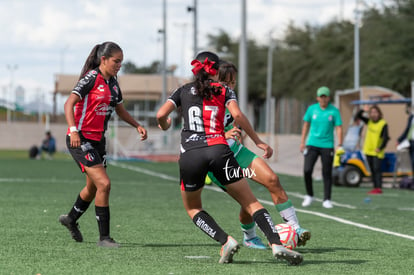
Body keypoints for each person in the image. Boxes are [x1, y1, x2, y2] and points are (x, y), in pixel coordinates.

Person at [156, 51, 303, 265]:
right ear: (216, 71)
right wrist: (258, 141)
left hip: (190, 155)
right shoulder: (224, 90)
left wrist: (165, 125)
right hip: (219, 151)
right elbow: (238, 116)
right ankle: (276, 243)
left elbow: (161, 115)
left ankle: (226, 241)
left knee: (193, 208)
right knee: (251, 202)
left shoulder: (182, 90)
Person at [206, 61, 310, 250]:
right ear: (213, 79)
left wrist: (256, 141)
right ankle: (250, 237)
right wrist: (222, 135)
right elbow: (195, 132)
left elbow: (237, 118)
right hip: (219, 161)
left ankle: (295, 228)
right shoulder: (203, 99)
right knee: (249, 200)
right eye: (224, 81)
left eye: (233, 83)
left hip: (238, 153)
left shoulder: (229, 96)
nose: (229, 87)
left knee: (272, 179)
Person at [59, 41, 148, 248]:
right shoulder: (90, 78)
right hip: (80, 138)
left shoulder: (114, 84)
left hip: (98, 141)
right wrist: (73, 130)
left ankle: (70, 219)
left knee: (92, 188)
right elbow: (68, 103)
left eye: (121, 62)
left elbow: (120, 110)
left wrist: (137, 125)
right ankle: (104, 238)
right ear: (104, 59)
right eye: (116, 61)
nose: (119, 65)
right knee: (104, 184)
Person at [300, 86, 343, 208]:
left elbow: (339, 127)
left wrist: (339, 144)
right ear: (317, 97)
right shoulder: (311, 109)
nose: (323, 99)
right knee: (307, 170)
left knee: (327, 172)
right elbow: (305, 126)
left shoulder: (334, 111)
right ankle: (309, 195)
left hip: (327, 145)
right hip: (312, 143)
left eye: (325, 96)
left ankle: (327, 199)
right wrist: (302, 142)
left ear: (329, 97)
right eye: (321, 96)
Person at [356, 105, 389, 194]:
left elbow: (386, 138)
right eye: (372, 112)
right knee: (372, 170)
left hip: (377, 151)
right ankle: (375, 187)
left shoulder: (383, 123)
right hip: (368, 150)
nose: (374, 114)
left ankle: (378, 187)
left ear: (379, 113)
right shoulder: (369, 122)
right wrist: (363, 110)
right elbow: (358, 116)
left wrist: (380, 147)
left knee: (377, 169)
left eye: (375, 112)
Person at [397, 112, 414, 177]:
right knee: (413, 162)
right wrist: (400, 140)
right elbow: (407, 129)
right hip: (411, 142)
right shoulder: (412, 117)